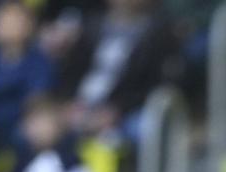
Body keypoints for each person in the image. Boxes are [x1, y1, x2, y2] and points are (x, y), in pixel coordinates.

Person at [53, 0, 176, 141]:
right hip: (80, 103)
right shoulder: (92, 25)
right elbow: (72, 71)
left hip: (124, 110)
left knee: (141, 128)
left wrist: (117, 110)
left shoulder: (157, 33)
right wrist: (68, 103)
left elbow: (152, 84)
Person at [0, 0, 55, 151]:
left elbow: (36, 101)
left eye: (15, 20)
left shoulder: (39, 62)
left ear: (29, 26)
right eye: (4, 19)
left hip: (18, 128)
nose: (8, 25)